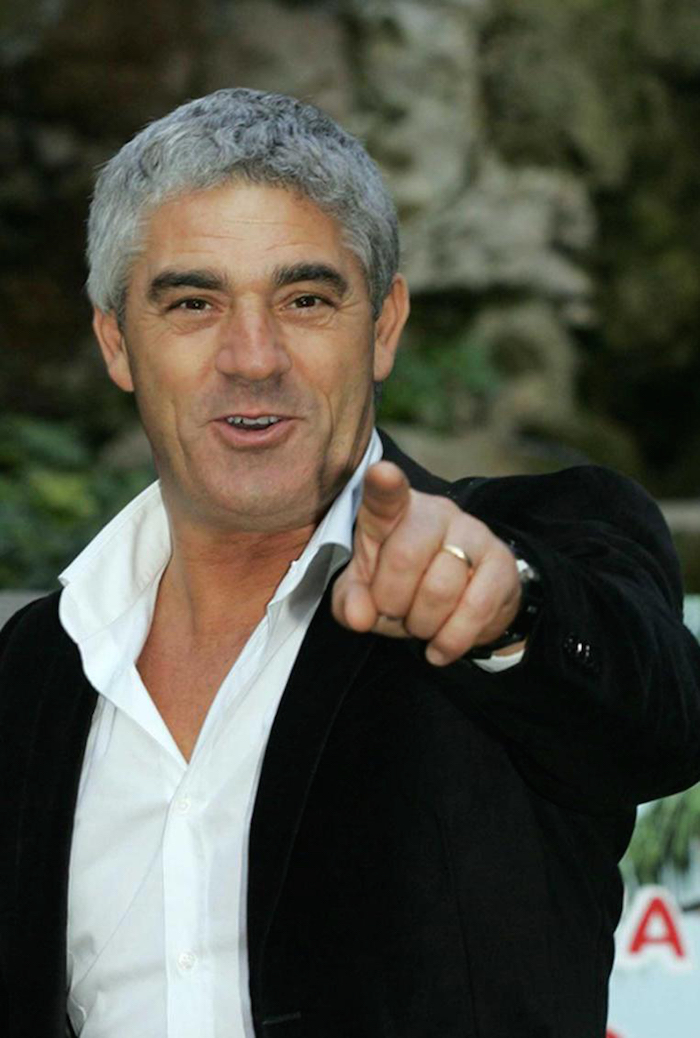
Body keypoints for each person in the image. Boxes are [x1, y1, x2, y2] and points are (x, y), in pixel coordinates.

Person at [0, 88, 699, 1038]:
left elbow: (659, 719)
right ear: (117, 342)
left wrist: (511, 614)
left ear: (384, 326)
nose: (253, 357)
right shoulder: (36, 665)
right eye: (194, 303)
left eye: (306, 300)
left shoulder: (525, 550)